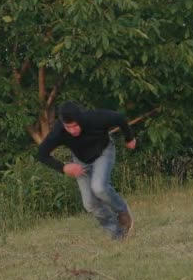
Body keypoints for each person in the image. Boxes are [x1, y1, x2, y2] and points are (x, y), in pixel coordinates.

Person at [37, 101, 136, 240]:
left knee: (99, 187)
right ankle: (117, 233)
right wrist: (63, 167)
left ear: (80, 120)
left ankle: (122, 211)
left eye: (75, 126)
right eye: (68, 127)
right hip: (80, 161)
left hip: (103, 152)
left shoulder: (94, 118)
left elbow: (120, 118)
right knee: (89, 204)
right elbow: (41, 154)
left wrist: (129, 138)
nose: (72, 130)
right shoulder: (59, 131)